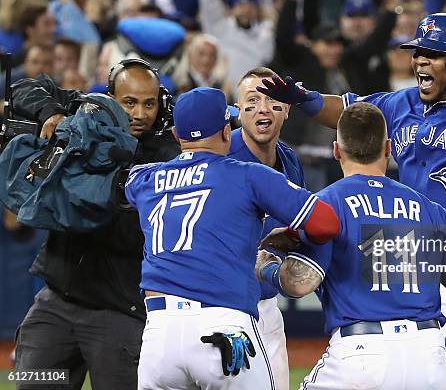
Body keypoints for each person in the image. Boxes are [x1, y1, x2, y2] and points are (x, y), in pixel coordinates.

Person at [257, 13, 446, 390]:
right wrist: (306, 100)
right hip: (420, 267)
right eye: (418, 52)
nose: (419, 60)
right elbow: (351, 112)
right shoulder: (401, 103)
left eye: (433, 54)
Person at [256, 102, 446, 390]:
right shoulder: (430, 209)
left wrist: (268, 267)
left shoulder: (328, 205)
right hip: (428, 354)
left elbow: (299, 284)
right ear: (388, 148)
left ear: (337, 150)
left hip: (361, 353)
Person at [125, 87, 340, 389]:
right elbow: (327, 223)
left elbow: (127, 181)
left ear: (176, 134)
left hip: (159, 338)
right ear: (227, 131)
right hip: (223, 327)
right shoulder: (248, 175)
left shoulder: (144, 180)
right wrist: (291, 234)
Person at [11, 58, 180, 390]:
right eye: (129, 102)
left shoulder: (166, 153)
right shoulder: (86, 117)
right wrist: (52, 113)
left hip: (119, 314)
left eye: (149, 103)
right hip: (55, 305)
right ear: (110, 97)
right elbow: (23, 89)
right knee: (31, 384)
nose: (140, 113)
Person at [228, 66, 303, 390]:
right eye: (252, 100)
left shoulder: (289, 159)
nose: (262, 109)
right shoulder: (220, 155)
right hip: (222, 307)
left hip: (266, 305)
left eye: (272, 101)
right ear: (237, 109)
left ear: (286, 109)